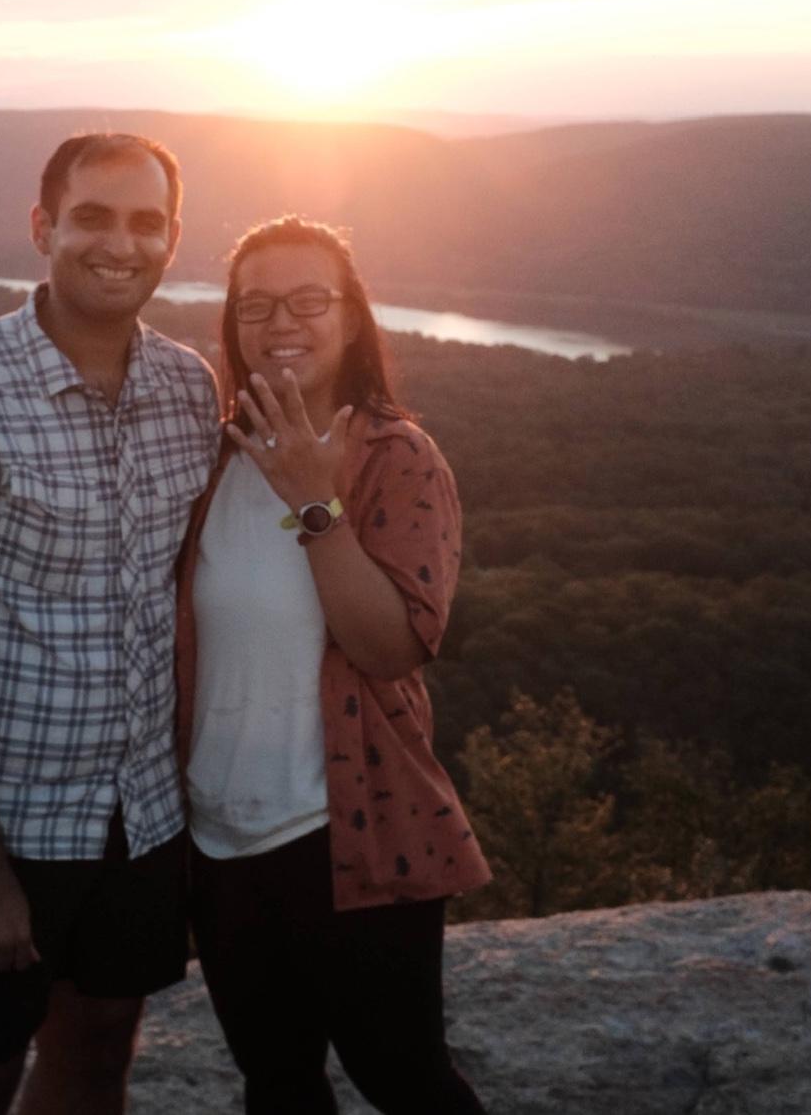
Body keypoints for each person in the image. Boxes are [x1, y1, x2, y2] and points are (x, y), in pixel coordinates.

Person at [0, 132, 219, 1115]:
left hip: (137, 813)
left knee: (98, 1052)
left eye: (145, 221)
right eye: (92, 216)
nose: (120, 242)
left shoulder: (188, 388)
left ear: (172, 237)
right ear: (43, 228)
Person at [175, 215, 491, 1114]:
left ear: (351, 318)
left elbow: (392, 647)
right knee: (276, 1085)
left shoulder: (396, 459)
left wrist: (316, 502)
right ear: (232, 327)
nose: (283, 323)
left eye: (310, 300)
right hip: (220, 845)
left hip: (349, 833)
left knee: (406, 1081)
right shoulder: (211, 459)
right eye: (256, 305)